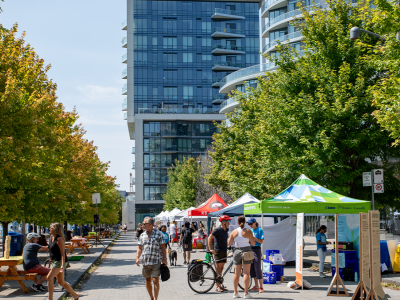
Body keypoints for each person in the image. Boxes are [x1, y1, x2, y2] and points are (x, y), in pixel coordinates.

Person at [136, 217, 167, 300]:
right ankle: (151, 297)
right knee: (148, 280)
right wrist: (137, 258)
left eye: (144, 224)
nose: (142, 225)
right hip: (145, 262)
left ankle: (155, 298)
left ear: (149, 225)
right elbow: (139, 248)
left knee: (155, 279)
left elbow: (163, 246)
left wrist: (164, 259)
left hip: (156, 261)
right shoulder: (142, 235)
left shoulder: (159, 234)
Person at [47, 223, 80, 300]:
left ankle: (50, 298)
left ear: (55, 229)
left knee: (49, 278)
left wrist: (62, 266)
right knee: (61, 282)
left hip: (59, 262)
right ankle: (75, 295)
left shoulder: (59, 239)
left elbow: (62, 253)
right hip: (54, 261)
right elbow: (49, 248)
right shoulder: (51, 238)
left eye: (51, 228)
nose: (49, 229)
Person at [228, 216, 256, 299]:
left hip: (237, 251)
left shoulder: (234, 231)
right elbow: (253, 243)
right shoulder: (248, 231)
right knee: (246, 273)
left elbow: (229, 243)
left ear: (237, 222)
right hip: (247, 251)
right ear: (245, 222)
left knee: (236, 273)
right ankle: (246, 293)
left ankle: (235, 292)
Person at [208, 215, 231, 292]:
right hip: (218, 250)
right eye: (228, 222)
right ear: (224, 222)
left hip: (224, 250)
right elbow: (209, 238)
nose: (229, 223)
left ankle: (220, 285)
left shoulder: (226, 230)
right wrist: (211, 249)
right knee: (218, 269)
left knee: (221, 268)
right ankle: (217, 286)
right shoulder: (217, 230)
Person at [247, 218, 264, 293]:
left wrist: (254, 238)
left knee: (257, 268)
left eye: (251, 224)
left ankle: (261, 287)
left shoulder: (259, 230)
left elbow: (261, 241)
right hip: (250, 249)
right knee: (252, 269)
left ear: (254, 223)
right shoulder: (250, 230)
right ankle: (256, 285)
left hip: (257, 249)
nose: (250, 225)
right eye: (249, 224)